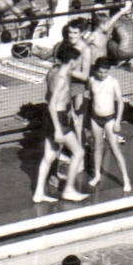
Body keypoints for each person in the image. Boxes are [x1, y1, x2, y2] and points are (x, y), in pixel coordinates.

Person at [33, 45, 87, 203]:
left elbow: (48, 95)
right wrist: (58, 129)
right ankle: (69, 189)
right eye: (78, 59)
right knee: (78, 153)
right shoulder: (62, 78)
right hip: (58, 118)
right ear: (71, 61)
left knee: (48, 156)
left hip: (52, 117)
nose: (79, 62)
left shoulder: (53, 72)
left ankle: (38, 193)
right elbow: (52, 103)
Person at [86, 57, 131, 192]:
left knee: (114, 148)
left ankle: (126, 178)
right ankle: (97, 175)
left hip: (110, 118)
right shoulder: (92, 80)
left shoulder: (113, 82)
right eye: (100, 72)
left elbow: (120, 102)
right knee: (97, 147)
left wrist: (118, 121)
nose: (102, 75)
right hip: (95, 118)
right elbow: (90, 98)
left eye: (105, 72)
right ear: (96, 70)